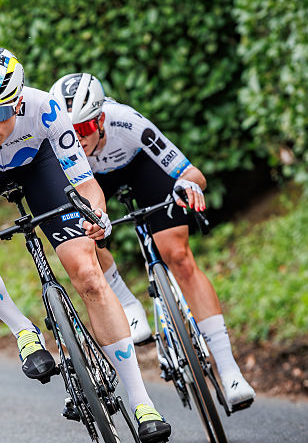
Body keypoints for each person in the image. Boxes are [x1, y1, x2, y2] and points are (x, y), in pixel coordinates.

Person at [0, 46, 171, 443]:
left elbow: (86, 185)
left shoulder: (45, 109)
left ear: (19, 102)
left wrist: (97, 214)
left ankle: (142, 401)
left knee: (90, 275)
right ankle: (24, 331)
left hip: (39, 167)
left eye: (2, 112)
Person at [47, 71, 256, 411]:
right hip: (90, 181)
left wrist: (186, 187)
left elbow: (193, 175)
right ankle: (129, 303)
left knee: (178, 256)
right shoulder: (59, 142)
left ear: (100, 119)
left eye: (85, 128)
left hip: (140, 168)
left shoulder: (127, 122)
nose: (78, 137)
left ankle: (229, 369)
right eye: (71, 131)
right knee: (81, 239)